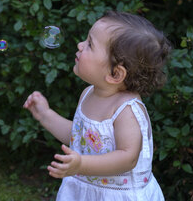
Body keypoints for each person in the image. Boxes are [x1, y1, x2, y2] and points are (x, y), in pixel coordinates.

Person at [23, 11, 171, 200]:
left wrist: (82, 165)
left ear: (115, 74)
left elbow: (128, 157)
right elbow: (80, 137)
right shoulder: (88, 94)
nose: (80, 45)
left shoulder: (127, 111)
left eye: (90, 44)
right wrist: (45, 114)